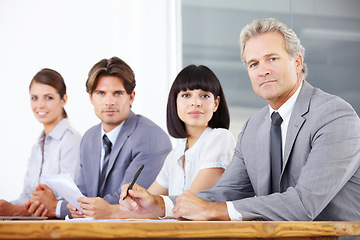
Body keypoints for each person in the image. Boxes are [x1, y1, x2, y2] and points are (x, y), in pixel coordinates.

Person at [119, 18, 360, 225]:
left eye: (272, 59)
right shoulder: (254, 127)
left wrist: (214, 211)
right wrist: (160, 205)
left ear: (297, 62)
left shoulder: (335, 116)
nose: (262, 70)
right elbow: (225, 193)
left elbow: (305, 203)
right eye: (253, 64)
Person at [68, 64, 236, 219]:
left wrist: (112, 211)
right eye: (186, 95)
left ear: (216, 104)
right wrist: (135, 199)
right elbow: (145, 208)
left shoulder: (220, 138)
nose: (195, 102)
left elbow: (191, 204)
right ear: (175, 102)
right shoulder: (175, 154)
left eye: (204, 95)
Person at [28, 57, 172, 219]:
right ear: (91, 97)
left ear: (131, 97)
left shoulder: (151, 137)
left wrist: (58, 207)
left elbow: (128, 201)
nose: (109, 102)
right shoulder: (89, 138)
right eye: (101, 93)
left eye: (117, 93)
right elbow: (81, 193)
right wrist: (71, 203)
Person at [0, 68, 81, 216]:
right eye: (34, 98)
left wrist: (16, 211)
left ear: (64, 99)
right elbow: (26, 196)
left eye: (48, 98)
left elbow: (68, 201)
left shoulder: (72, 141)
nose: (40, 105)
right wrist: (6, 206)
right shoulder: (38, 145)